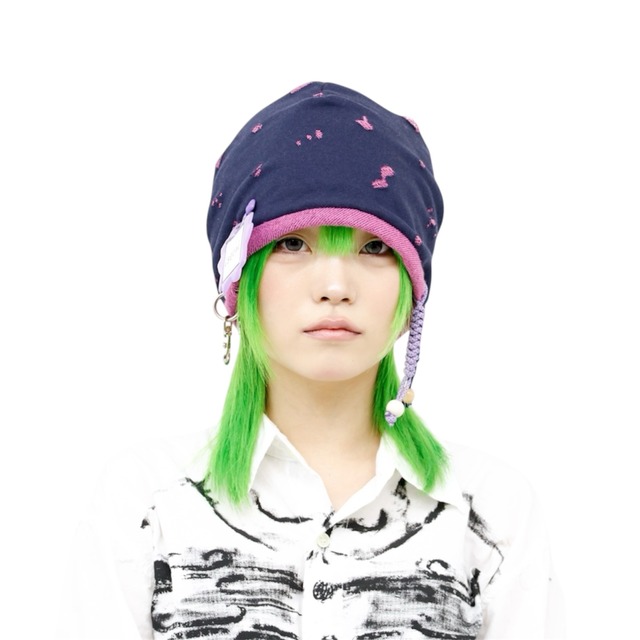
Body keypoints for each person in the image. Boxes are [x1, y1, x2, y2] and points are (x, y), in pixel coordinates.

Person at [62, 81, 563, 639]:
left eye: (374, 247)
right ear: (237, 284)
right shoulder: (148, 504)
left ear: (411, 295)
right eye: (292, 244)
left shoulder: (490, 515)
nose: (334, 286)